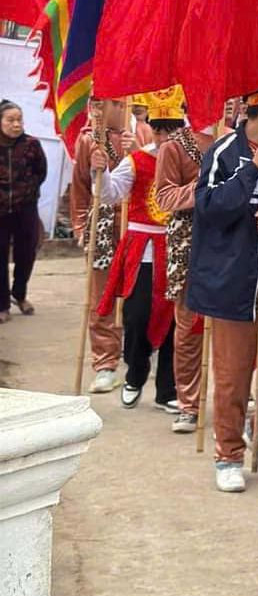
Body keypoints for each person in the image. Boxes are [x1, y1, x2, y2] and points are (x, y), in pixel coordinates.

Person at [187, 76, 258, 493]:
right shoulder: (222, 151)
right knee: (233, 375)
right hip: (233, 282)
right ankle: (228, 455)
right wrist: (251, 174)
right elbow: (209, 209)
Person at [90, 95, 177, 412]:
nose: (165, 137)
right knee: (136, 316)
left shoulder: (190, 160)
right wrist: (100, 172)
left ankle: (168, 391)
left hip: (177, 246)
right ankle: (135, 375)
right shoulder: (138, 159)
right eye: (160, 130)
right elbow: (111, 193)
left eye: (172, 130)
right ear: (151, 130)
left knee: (175, 322)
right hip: (143, 247)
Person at [151, 87, 209, 433]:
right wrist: (205, 187)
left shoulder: (239, 142)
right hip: (188, 242)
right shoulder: (174, 146)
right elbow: (165, 195)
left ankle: (240, 398)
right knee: (188, 327)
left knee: (238, 325)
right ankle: (188, 403)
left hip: (231, 242)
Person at [71, 99, 133, 392]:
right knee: (101, 296)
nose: (99, 109)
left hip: (138, 227)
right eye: (94, 103)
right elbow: (80, 188)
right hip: (103, 227)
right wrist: (82, 227)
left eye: (109, 103)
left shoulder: (143, 133)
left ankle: (137, 355)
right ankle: (106, 362)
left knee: (138, 295)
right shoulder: (87, 140)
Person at [0, 101, 47, 324]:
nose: (16, 124)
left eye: (19, 119)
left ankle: (19, 294)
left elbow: (41, 172)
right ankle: (1, 305)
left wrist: (27, 191)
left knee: (26, 253)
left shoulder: (31, 145)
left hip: (25, 209)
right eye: (10, 120)